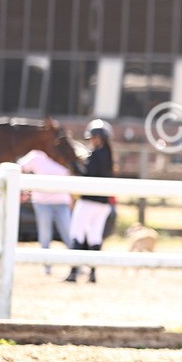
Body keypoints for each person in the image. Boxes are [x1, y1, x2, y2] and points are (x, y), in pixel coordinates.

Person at [63, 119, 115, 283]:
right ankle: (92, 273)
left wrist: (75, 164)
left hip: (88, 202)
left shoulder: (96, 155)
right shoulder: (108, 156)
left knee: (76, 233)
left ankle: (74, 271)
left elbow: (88, 176)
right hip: (103, 203)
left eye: (93, 137)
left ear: (98, 138)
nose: (91, 141)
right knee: (95, 237)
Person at [17, 148, 72, 275]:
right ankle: (47, 267)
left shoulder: (63, 155)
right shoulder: (36, 156)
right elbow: (19, 167)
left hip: (62, 201)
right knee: (45, 235)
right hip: (42, 203)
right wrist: (26, 187)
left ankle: (75, 266)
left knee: (68, 234)